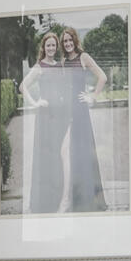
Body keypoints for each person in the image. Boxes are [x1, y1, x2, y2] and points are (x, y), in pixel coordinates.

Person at [17, 24, 107, 214]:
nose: (67, 43)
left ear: (75, 40)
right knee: (66, 153)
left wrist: (93, 96)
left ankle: (73, 199)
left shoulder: (84, 57)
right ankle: (70, 198)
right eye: (64, 41)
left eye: (69, 40)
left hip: (79, 111)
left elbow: (103, 77)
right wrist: (37, 102)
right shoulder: (63, 63)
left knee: (78, 152)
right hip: (64, 113)